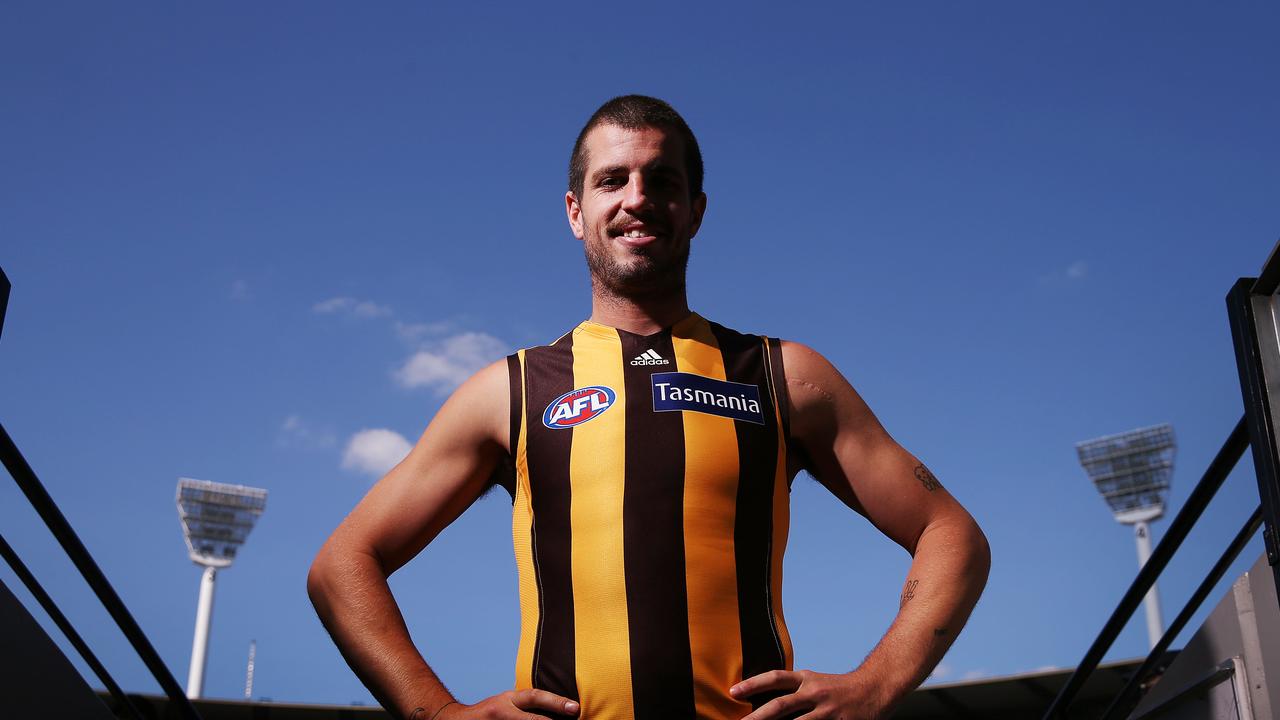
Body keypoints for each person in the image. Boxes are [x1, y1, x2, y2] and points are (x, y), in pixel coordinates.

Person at [308, 95, 990, 720]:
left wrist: (875, 685)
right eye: (612, 180)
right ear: (575, 211)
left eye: (662, 181)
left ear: (696, 208)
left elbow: (951, 534)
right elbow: (342, 564)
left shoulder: (787, 376)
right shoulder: (508, 391)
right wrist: (438, 712)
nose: (637, 198)